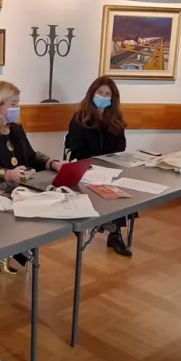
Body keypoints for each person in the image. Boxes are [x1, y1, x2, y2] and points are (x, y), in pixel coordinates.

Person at [0, 81, 64, 273]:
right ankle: (1, 253)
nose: (17, 108)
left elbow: (31, 156)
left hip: (11, 189)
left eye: (18, 103)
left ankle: (15, 250)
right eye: (13, 104)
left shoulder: (15, 129)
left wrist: (53, 163)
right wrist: (7, 174)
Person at [66, 76, 134, 257]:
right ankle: (110, 226)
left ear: (112, 98)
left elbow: (121, 147)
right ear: (92, 94)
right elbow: (77, 149)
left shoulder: (115, 119)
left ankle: (114, 232)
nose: (103, 97)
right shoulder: (80, 118)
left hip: (110, 167)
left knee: (121, 186)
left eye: (107, 94)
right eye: (100, 92)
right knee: (107, 186)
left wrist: (109, 163)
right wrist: (96, 163)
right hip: (87, 168)